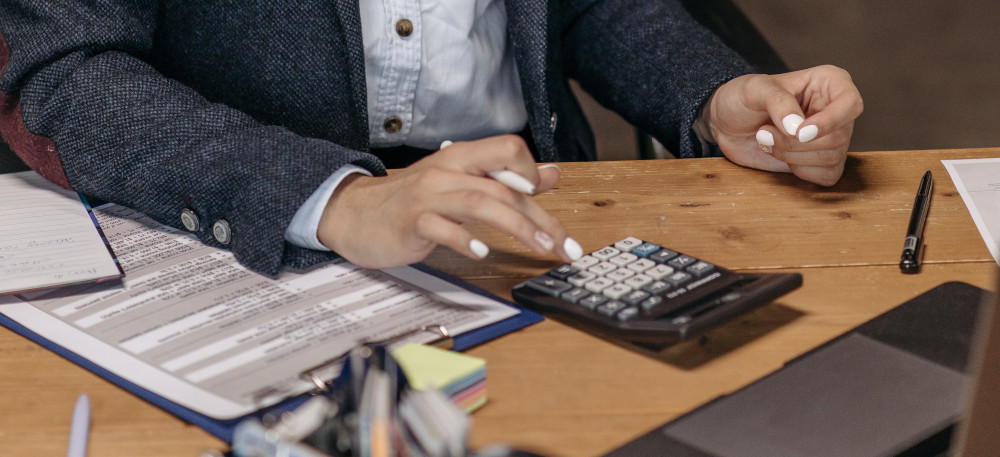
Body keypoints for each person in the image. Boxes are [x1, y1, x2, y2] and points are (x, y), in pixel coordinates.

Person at [0, 0, 862, 277]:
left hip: (536, 213)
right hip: (262, 228)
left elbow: (589, 6)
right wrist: (338, 197)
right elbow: (70, 73)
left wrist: (710, 95)